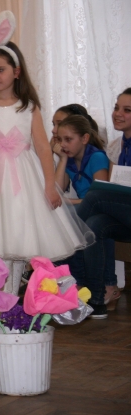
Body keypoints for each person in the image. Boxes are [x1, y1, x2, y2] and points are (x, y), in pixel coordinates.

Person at [0, 11, 93, 295]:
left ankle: (12, 294)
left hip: (22, 180)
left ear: (16, 71)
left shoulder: (28, 108)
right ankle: (3, 296)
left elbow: (42, 148)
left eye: (0, 70)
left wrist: (50, 185)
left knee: (20, 235)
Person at [70, 88, 131, 318]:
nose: (118, 113)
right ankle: (96, 298)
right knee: (95, 224)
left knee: (95, 196)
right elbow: (114, 187)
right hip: (125, 212)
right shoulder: (116, 146)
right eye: (116, 107)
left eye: (127, 110)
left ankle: (65, 264)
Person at [53, 114, 108, 204]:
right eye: (60, 139)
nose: (62, 144)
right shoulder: (69, 160)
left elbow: (100, 198)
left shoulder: (97, 158)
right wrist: (62, 159)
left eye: (68, 139)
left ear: (84, 139)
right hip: (83, 206)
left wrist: (68, 201)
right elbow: (56, 192)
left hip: (97, 208)